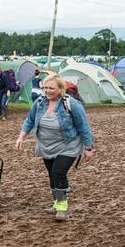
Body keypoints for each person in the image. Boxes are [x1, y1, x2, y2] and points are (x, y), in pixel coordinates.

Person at [15, 75, 94, 221]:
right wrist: (21, 137)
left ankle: (62, 207)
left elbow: (83, 126)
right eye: (45, 88)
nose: (47, 91)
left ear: (60, 89)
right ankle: (56, 202)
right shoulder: (39, 103)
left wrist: (88, 147)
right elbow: (29, 121)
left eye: (51, 88)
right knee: (52, 173)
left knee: (58, 172)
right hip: (46, 146)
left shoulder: (72, 104)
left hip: (68, 145)